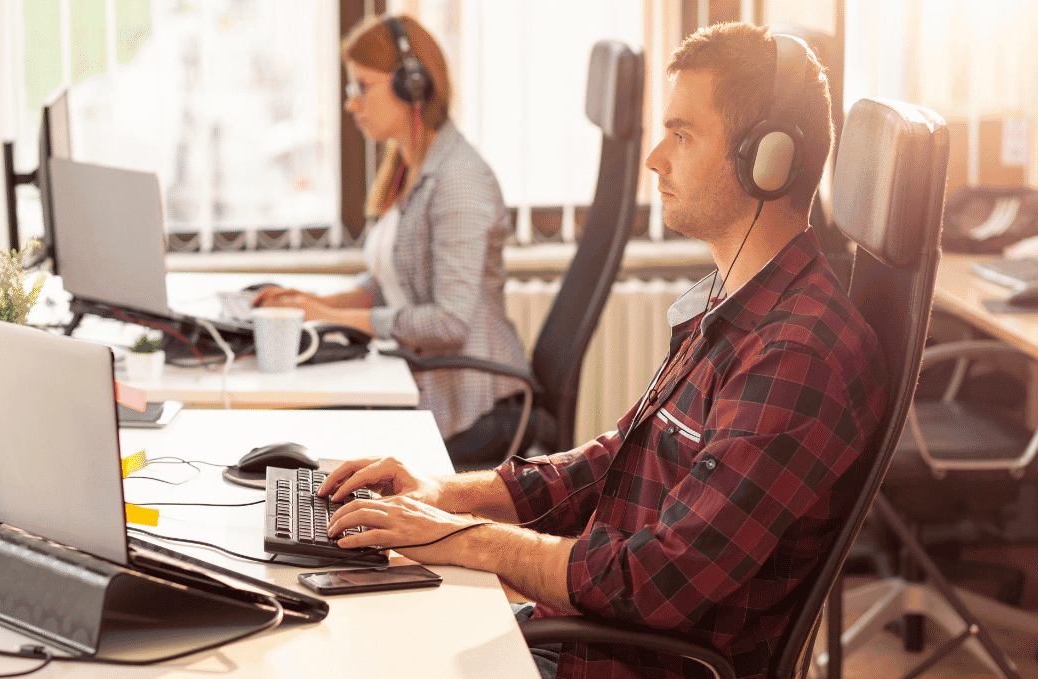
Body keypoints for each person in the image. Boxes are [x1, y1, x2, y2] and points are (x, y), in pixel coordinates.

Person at [315, 22, 889, 679]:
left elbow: (659, 578)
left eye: (682, 134)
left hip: (633, 663)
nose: (654, 159)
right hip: (593, 641)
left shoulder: (798, 354)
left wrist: (463, 540)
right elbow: (611, 462)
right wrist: (447, 495)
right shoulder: (736, 304)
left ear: (767, 160)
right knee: (358, 622)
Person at [255, 15, 528, 463]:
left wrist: (328, 316)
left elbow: (448, 323)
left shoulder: (459, 180)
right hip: (429, 388)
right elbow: (385, 283)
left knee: (331, 468)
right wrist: (309, 302)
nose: (351, 103)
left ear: (412, 86)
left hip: (477, 408)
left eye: (362, 86)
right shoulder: (409, 168)